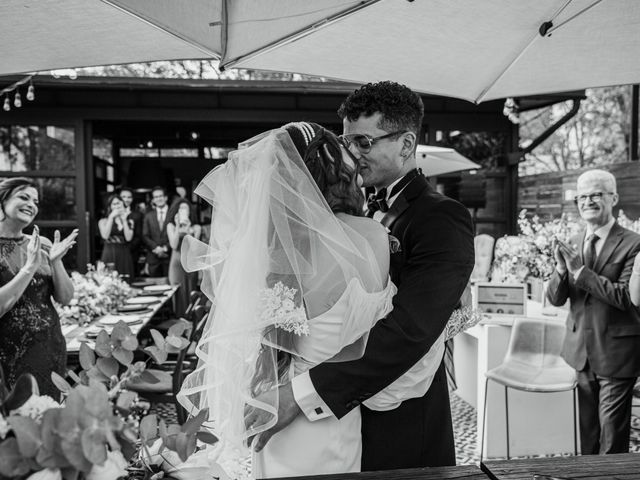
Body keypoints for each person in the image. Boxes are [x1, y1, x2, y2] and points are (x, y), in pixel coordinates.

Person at [250, 81, 475, 471]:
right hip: (342, 426)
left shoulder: (442, 218)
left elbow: (411, 330)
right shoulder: (341, 216)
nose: (351, 153)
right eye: (347, 141)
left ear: (406, 144)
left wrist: (302, 393)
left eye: (364, 142)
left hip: (400, 425)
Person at [177, 122, 398, 478]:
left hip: (279, 412)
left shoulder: (275, 254)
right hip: (337, 408)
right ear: (336, 173)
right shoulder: (374, 236)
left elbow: (259, 348)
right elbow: (366, 340)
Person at [546, 169, 640, 455]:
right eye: (582, 196)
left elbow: (627, 297)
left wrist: (579, 271)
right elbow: (555, 298)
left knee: (611, 440)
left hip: (617, 353)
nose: (588, 201)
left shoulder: (634, 243)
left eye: (596, 194)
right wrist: (562, 271)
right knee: (587, 436)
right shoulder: (572, 241)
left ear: (614, 198)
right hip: (580, 351)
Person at [0, 178, 77, 399]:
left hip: (49, 345)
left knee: (48, 417)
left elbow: (66, 297)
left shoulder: (40, 243)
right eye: (23, 197)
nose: (32, 204)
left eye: (35, 201)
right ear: (2, 202)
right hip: (8, 352)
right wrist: (29, 268)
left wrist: (56, 262)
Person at [166, 198, 201, 316]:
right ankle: (177, 319)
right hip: (176, 263)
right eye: (180, 208)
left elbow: (195, 249)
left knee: (191, 292)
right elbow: (174, 244)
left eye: (185, 208)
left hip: (190, 263)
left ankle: (191, 321)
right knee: (178, 293)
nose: (183, 210)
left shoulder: (196, 228)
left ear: (190, 211)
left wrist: (188, 230)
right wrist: (177, 226)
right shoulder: (171, 226)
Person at [98, 194, 135, 281]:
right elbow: (105, 235)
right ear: (110, 207)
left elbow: (129, 238)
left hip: (124, 252)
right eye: (113, 204)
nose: (116, 206)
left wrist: (124, 220)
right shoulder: (103, 221)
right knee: (109, 280)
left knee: (126, 279)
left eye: (118, 203)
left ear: (123, 204)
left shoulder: (130, 221)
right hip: (109, 252)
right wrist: (111, 217)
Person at [142, 186, 171, 277]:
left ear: (165, 197)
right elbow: (145, 236)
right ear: (153, 200)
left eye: (160, 196)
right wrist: (156, 248)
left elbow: (178, 234)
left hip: (169, 257)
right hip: (153, 258)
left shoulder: (173, 213)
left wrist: (165, 248)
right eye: (156, 197)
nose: (159, 199)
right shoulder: (148, 216)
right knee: (154, 287)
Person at [119, 187, 143, 275]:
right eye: (123, 197)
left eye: (129, 197)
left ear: (132, 199)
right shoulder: (113, 214)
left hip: (131, 252)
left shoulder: (137, 215)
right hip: (115, 251)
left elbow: (138, 236)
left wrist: (127, 249)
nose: (126, 199)